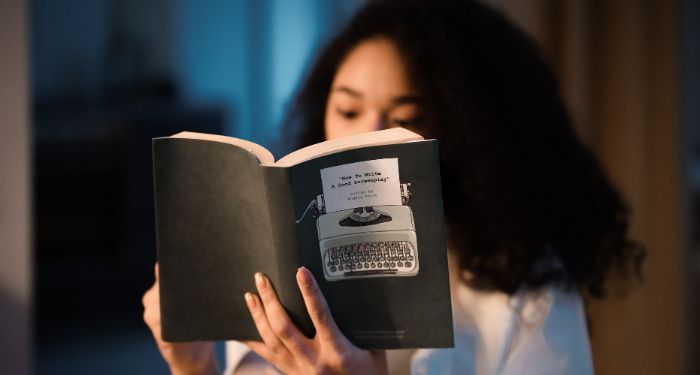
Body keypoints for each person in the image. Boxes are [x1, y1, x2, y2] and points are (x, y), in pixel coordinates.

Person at [142, 0, 645, 374]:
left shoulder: (529, 294)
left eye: (406, 118)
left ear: (472, 135)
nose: (369, 138)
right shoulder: (276, 265)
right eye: (348, 109)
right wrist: (195, 367)